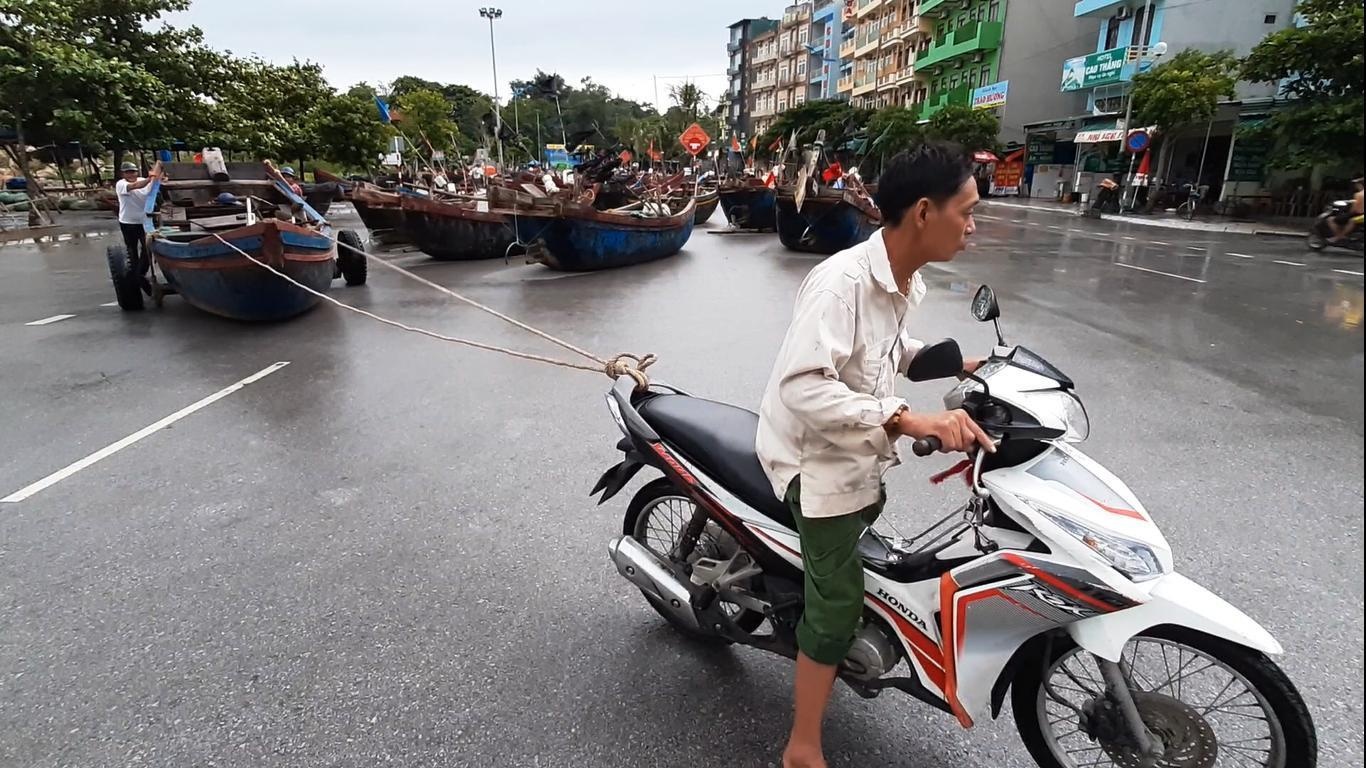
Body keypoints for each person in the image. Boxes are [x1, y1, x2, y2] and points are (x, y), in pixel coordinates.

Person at [755, 142, 994, 768]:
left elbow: (887, 347)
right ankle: (802, 745)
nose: (972, 226)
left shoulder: (898, 278)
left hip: (857, 452)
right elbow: (804, 385)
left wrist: (954, 362)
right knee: (835, 604)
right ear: (923, 211)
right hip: (817, 463)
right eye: (966, 212)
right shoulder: (842, 284)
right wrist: (908, 416)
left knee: (854, 564)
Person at [115, 161, 161, 277]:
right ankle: (135, 275)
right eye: (128, 172)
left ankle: (140, 273)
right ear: (123, 174)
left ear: (137, 172)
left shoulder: (142, 180)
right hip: (128, 223)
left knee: (148, 249)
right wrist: (150, 179)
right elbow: (136, 186)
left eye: (133, 172)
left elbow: (155, 187)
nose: (131, 175)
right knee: (132, 250)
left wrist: (159, 178)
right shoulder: (121, 184)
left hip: (145, 222)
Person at [1330, 177, 1364, 243]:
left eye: (1356, 184)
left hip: (1359, 215)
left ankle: (1339, 236)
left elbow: (1354, 209)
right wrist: (1350, 201)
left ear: (1360, 185)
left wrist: (1347, 212)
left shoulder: (1358, 194)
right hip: (1361, 214)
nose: (1355, 186)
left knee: (1331, 219)